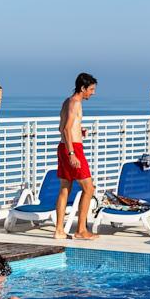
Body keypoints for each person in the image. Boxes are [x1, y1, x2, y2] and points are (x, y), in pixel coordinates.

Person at [55, 72, 98, 240]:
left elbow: (63, 128)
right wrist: (72, 153)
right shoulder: (75, 103)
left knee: (65, 188)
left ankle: (59, 230)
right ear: (83, 88)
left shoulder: (67, 102)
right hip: (73, 149)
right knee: (89, 188)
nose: (93, 93)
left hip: (64, 146)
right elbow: (66, 129)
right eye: (91, 89)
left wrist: (79, 131)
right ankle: (81, 230)